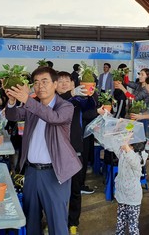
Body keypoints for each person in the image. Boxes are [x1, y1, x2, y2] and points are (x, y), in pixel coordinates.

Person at [5, 66, 82, 235]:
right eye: (36, 82)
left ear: (55, 84)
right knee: (31, 220)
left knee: (57, 223)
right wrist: (11, 101)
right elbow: (12, 116)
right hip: (32, 172)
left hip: (55, 174)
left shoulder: (65, 107)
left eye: (45, 81)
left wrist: (28, 100)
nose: (40, 86)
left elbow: (53, 118)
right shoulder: (33, 107)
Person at [56, 71, 95, 234]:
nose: (64, 83)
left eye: (68, 81)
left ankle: (73, 223)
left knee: (75, 189)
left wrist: (89, 95)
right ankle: (55, 222)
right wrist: (70, 93)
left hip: (76, 151)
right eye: (61, 81)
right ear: (54, 85)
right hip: (56, 152)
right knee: (56, 191)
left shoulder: (78, 102)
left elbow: (91, 110)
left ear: (74, 83)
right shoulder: (53, 101)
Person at [112, 141, 148, 235]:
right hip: (122, 196)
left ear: (133, 146)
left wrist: (126, 147)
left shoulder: (140, 157)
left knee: (133, 226)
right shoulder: (124, 153)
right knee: (120, 224)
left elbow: (133, 160)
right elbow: (115, 147)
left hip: (133, 199)